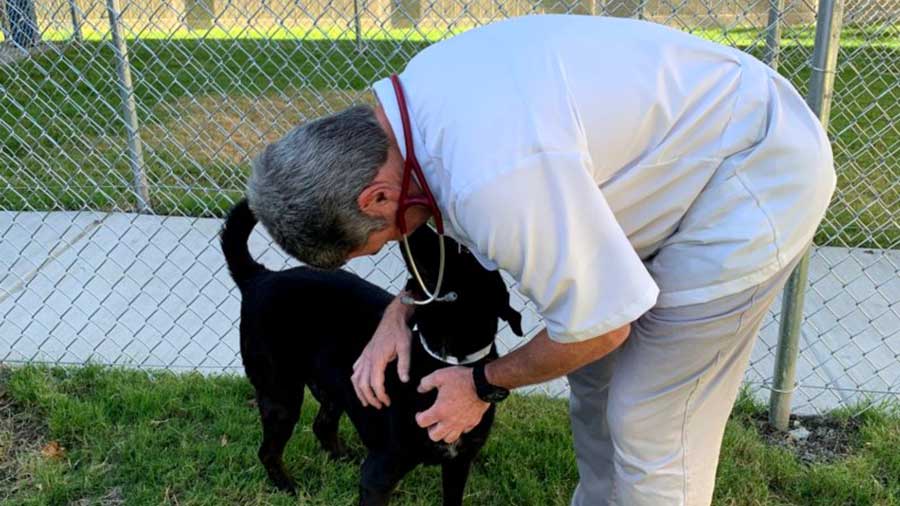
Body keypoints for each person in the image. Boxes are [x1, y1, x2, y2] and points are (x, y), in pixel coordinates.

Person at [245, 14, 836, 506]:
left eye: (378, 241)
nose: (392, 246)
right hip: (676, 164)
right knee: (596, 391)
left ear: (375, 196)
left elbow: (601, 326)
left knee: (652, 424)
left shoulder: (493, 179)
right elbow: (452, 245)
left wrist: (480, 382)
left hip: (749, 179)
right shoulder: (412, 118)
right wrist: (396, 315)